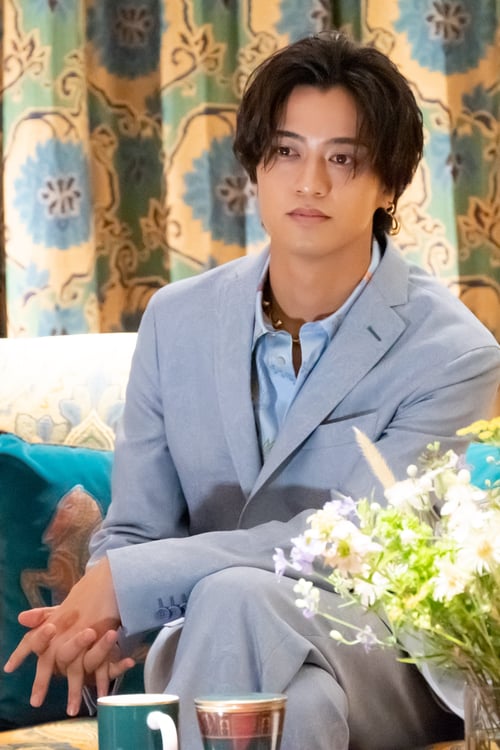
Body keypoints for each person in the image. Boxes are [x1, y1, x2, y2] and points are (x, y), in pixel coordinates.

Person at [5, 31, 500, 750]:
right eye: (287, 152)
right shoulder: (176, 320)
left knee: (238, 597)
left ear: (389, 185)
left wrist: (128, 583)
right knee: (297, 702)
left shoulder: (454, 353)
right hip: (212, 643)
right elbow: (137, 529)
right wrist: (108, 624)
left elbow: (354, 543)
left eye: (343, 159)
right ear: (256, 166)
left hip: (378, 654)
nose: (310, 183)